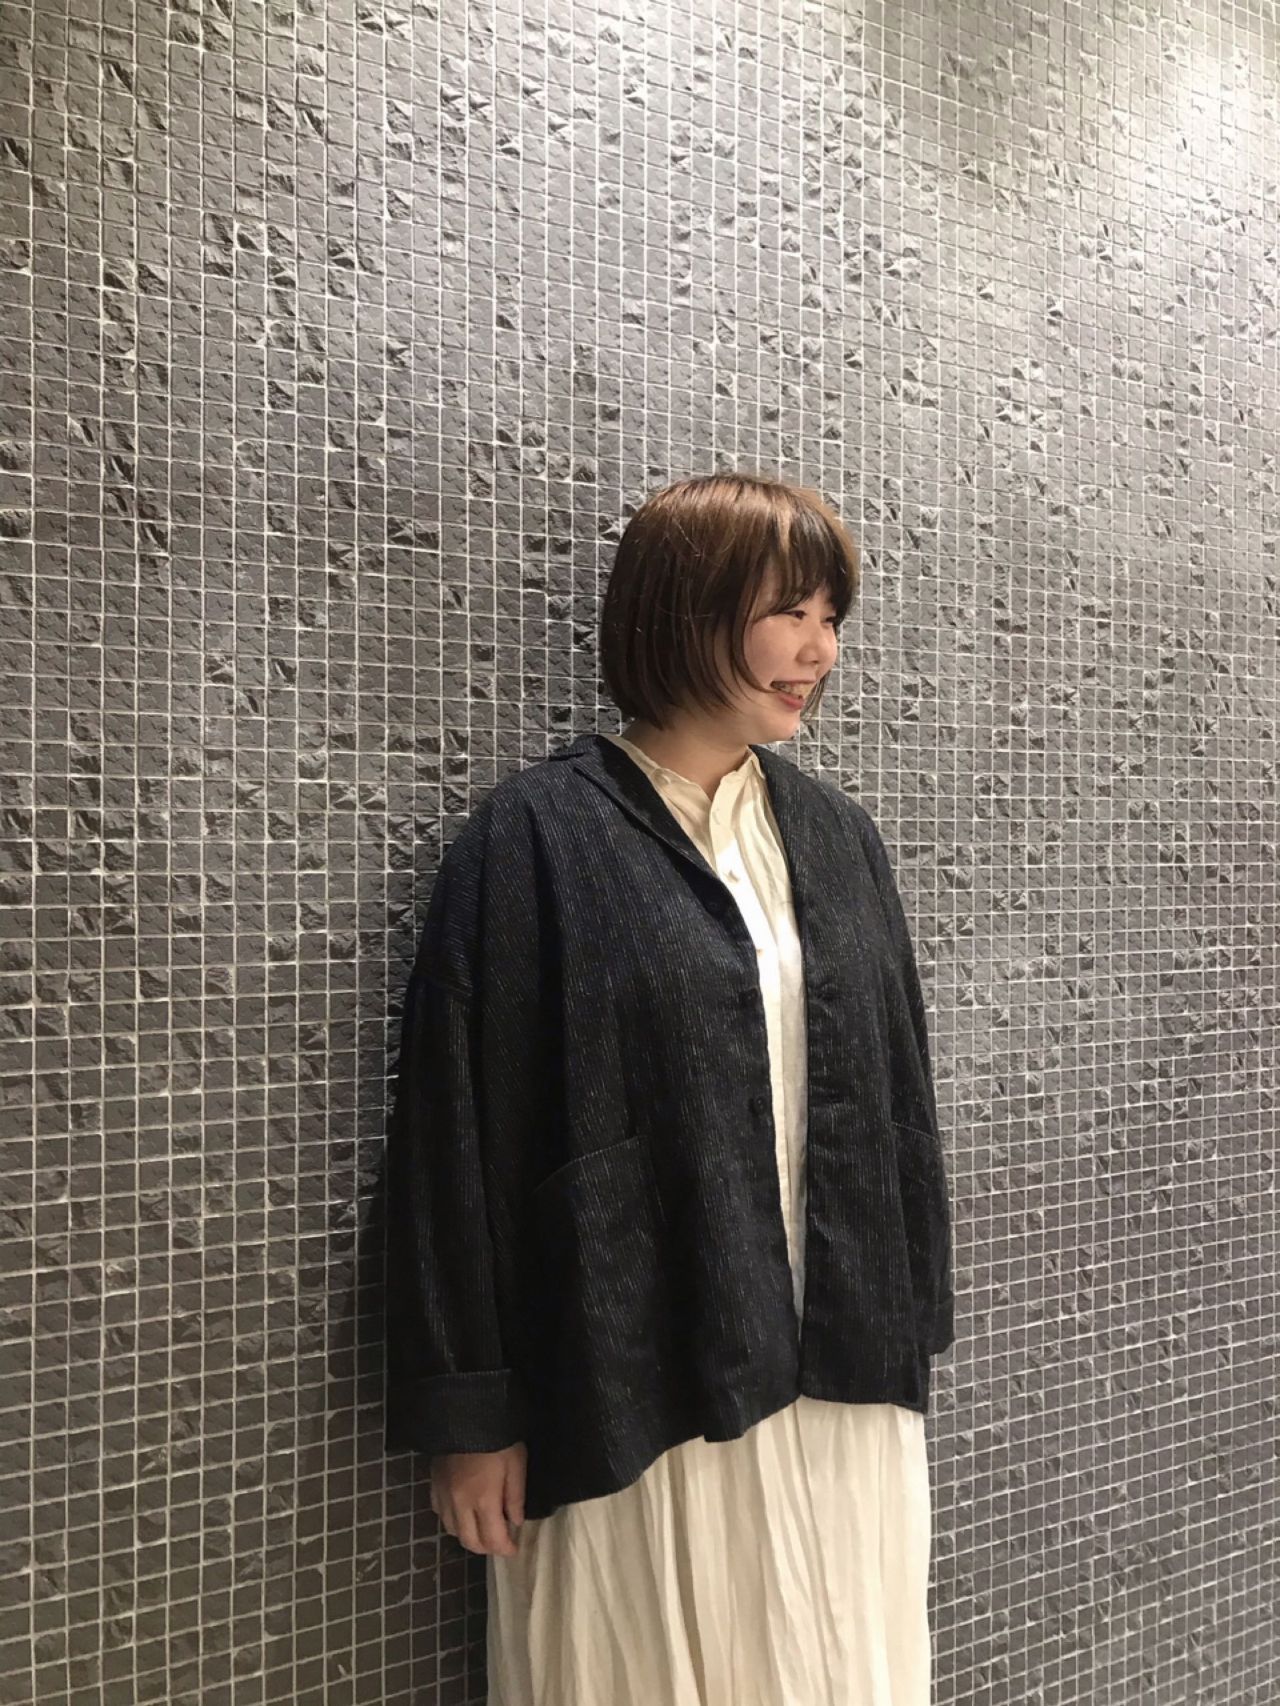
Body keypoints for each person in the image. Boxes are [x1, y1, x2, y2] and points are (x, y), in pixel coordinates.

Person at [384, 471, 956, 1706]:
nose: (819, 650)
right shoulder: (534, 838)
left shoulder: (836, 837)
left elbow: (898, 1102)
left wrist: (910, 1311)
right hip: (635, 1373)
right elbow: (455, 1136)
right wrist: (471, 1411)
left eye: (830, 617)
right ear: (684, 608)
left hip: (838, 1373)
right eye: (788, 611)